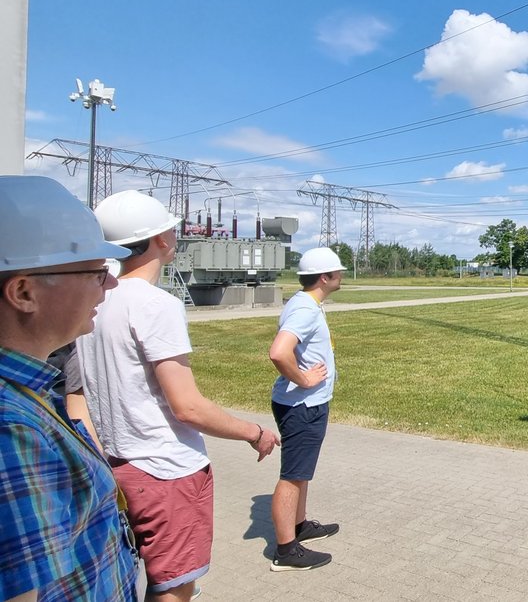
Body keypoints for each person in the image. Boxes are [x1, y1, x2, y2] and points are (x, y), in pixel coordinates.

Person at [70, 190, 279, 602]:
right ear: (161, 239)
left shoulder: (94, 298)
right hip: (168, 471)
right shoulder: (156, 304)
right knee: (174, 587)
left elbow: (78, 395)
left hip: (116, 465)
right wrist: (254, 432)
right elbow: (188, 407)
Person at [0, 175, 138, 601]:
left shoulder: (28, 396)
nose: (111, 284)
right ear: (24, 291)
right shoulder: (12, 429)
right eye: (96, 273)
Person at [268, 247, 344, 571]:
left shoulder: (304, 303)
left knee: (302, 473)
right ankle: (286, 550)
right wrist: (304, 379)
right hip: (303, 405)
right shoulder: (306, 310)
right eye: (338, 271)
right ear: (325, 277)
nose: (342, 275)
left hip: (304, 404)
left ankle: (299, 526)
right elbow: (278, 352)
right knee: (293, 476)